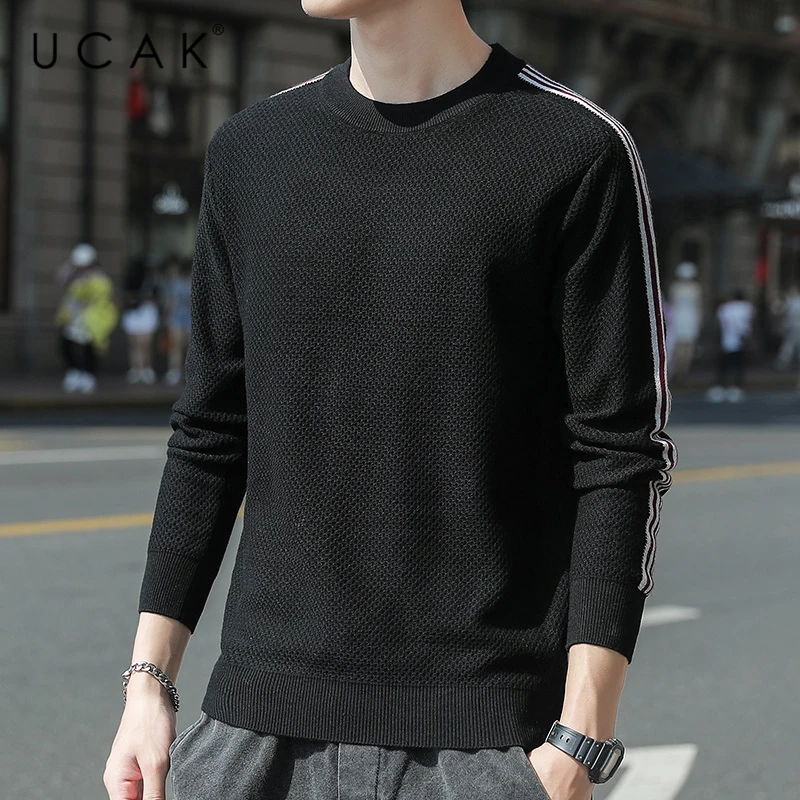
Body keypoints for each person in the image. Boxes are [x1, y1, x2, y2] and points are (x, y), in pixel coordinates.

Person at [104, 3, 678, 800]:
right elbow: (209, 431)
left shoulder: (576, 149)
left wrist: (581, 739)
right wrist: (147, 684)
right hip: (250, 736)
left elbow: (619, 455)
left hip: (481, 745)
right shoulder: (252, 150)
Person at [54, 242, 119, 394]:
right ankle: (73, 372)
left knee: (89, 347)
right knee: (66, 344)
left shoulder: (99, 278)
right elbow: (60, 278)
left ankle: (89, 375)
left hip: (91, 318)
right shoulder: (73, 274)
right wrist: (71, 266)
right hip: (72, 317)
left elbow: (103, 296)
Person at [706, 288, 755, 403]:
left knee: (723, 366)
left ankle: (719, 388)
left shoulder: (724, 308)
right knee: (739, 366)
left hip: (726, 341)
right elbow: (749, 323)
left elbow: (719, 324)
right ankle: (736, 388)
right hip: (741, 341)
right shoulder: (746, 307)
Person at [121, 259, 160, 385]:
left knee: (145, 343)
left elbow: (157, 297)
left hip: (147, 312)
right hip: (133, 312)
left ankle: (146, 368)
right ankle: (135, 368)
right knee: (135, 344)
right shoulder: (131, 281)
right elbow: (127, 296)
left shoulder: (154, 281)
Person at [666, 261, 702, 381]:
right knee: (686, 345)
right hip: (688, 317)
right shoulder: (695, 288)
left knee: (681, 345)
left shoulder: (676, 287)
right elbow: (698, 306)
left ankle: (680, 370)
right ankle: (682, 370)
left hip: (681, 316)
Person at [162, 258, 192, 386]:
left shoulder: (196, 282)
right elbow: (172, 302)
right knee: (176, 346)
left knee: (190, 347)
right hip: (178, 317)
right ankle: (174, 371)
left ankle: (189, 372)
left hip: (191, 318)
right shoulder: (177, 284)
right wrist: (167, 317)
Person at [774, 284, 800, 371]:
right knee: (790, 344)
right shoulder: (790, 300)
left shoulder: (794, 301)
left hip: (795, 326)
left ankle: (783, 361)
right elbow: (782, 312)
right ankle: (783, 361)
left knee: (789, 344)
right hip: (791, 326)